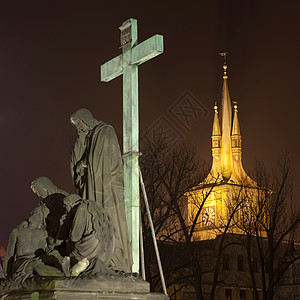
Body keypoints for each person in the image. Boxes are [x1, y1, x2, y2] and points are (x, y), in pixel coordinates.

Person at [70, 108, 132, 273]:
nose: (79, 129)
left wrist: (83, 164)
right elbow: (83, 159)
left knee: (110, 220)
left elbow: (100, 160)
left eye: (80, 125)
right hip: (95, 186)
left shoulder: (105, 131)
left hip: (107, 190)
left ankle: (114, 259)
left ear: (86, 120)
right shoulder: (89, 136)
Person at [3, 206, 66, 287]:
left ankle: (66, 270)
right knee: (35, 265)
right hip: (23, 262)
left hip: (40, 258)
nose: (37, 215)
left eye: (40, 214)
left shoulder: (44, 233)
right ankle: (62, 274)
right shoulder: (17, 232)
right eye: (35, 213)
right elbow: (9, 255)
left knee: (54, 253)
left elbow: (56, 243)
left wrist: (61, 224)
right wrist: (7, 274)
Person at [62, 195, 115, 275]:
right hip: (104, 252)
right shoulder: (94, 206)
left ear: (70, 204)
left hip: (89, 251)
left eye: (65, 207)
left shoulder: (81, 208)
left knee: (67, 246)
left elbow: (75, 237)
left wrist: (67, 224)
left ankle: (74, 270)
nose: (65, 211)